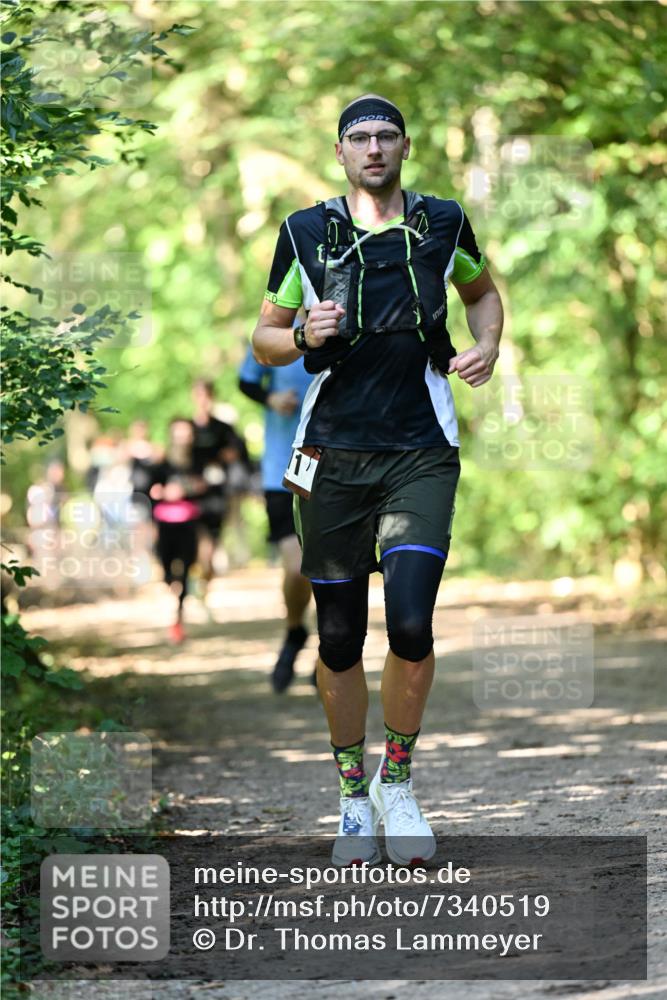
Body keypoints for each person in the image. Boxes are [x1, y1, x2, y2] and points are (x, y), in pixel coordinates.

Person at [252, 94, 503, 867]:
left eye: (385, 136)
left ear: (404, 146)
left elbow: (482, 294)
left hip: (420, 452)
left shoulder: (443, 224)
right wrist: (298, 332)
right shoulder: (304, 232)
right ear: (339, 152)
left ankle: (398, 780)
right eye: (357, 138)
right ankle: (351, 797)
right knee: (336, 637)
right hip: (328, 456)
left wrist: (486, 345)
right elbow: (262, 340)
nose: (372, 148)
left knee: (413, 624)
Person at [238, 341, 314, 692]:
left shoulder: (345, 317)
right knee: (297, 567)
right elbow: (247, 380)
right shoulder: (278, 326)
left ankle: (331, 650)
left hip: (335, 466)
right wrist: (271, 399)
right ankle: (295, 631)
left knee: (336, 569)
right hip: (283, 469)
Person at [148, 418, 206, 644]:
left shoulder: (199, 461)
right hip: (164, 524)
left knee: (185, 568)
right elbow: (148, 490)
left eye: (186, 433)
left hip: (189, 523)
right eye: (178, 433)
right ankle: (173, 599)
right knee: (167, 570)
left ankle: (178, 617)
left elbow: (207, 486)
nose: (183, 438)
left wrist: (185, 489)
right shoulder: (160, 463)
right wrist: (163, 492)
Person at [189, 379, 240, 595]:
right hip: (192, 494)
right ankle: (196, 580)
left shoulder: (223, 429)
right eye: (198, 395)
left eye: (206, 396)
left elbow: (237, 453)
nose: (202, 401)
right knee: (197, 541)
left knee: (211, 541)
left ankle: (204, 582)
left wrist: (220, 460)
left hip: (216, 495)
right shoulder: (186, 428)